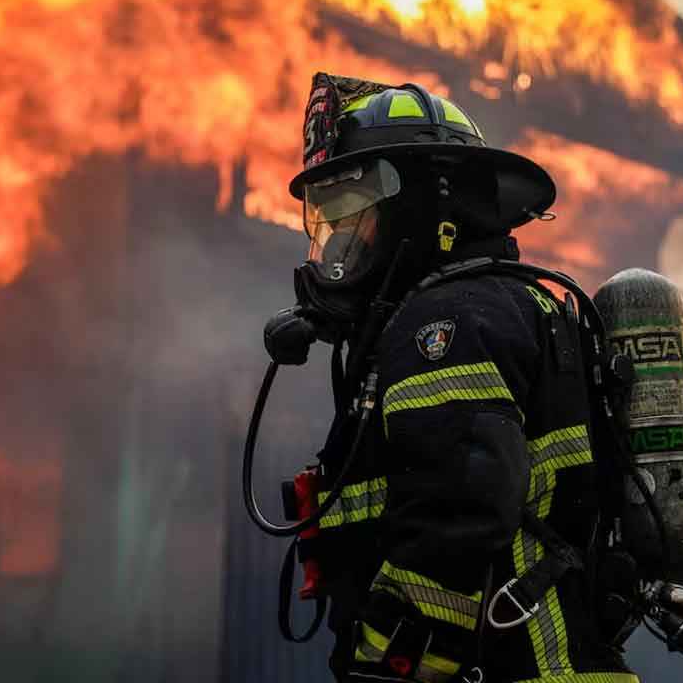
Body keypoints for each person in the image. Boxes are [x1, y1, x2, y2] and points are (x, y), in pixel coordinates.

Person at [265, 72, 642, 683]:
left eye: (354, 215)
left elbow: (460, 514)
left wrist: (388, 663)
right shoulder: (507, 307)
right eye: (329, 221)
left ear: (419, 206)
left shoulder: (448, 322)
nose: (336, 249)